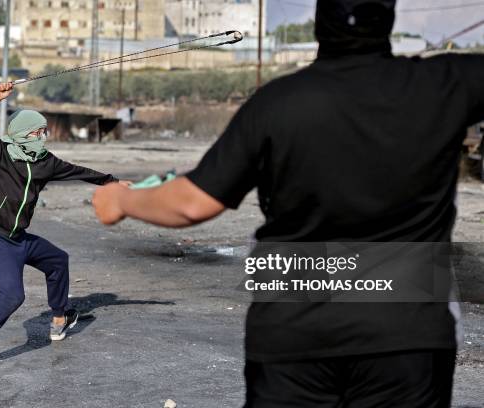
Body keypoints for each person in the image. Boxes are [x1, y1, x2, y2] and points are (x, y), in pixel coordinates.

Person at [91, 0, 484, 406]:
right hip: (407, 334)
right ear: (388, 18)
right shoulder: (445, 84)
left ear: (317, 24)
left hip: (293, 331)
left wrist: (121, 199)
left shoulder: (277, 103)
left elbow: (194, 202)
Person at [0, 82, 130, 378]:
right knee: (11, 296)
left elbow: (78, 171)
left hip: (20, 240)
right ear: (23, 134)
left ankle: (59, 319)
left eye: (44, 132)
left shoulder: (46, 163)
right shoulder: (0, 152)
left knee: (57, 260)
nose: (43, 136)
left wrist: (112, 181)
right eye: (38, 132)